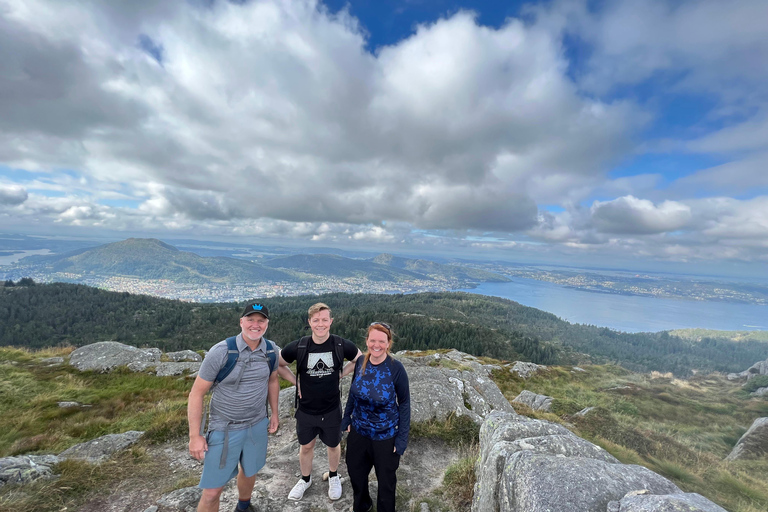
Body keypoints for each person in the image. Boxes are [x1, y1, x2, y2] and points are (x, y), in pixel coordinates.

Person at [187, 301, 293, 512]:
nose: (255, 325)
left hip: (257, 424)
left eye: (261, 321)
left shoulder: (271, 350)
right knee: (212, 492)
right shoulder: (221, 352)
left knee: (250, 469)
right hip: (224, 428)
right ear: (241, 322)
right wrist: (195, 436)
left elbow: (273, 381)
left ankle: (243, 507)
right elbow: (196, 393)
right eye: (250, 320)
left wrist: (274, 414)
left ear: (267, 324)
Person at [279, 302, 363, 501]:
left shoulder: (340, 344)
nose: (320, 324)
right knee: (306, 446)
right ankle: (305, 479)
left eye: (324, 319)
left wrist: (342, 373)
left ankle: (333, 476)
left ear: (331, 322)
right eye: (316, 320)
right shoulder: (300, 345)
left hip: (331, 408)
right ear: (309, 322)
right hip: (306, 410)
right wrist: (295, 381)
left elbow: (360, 359)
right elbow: (279, 365)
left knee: (333, 445)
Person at [341, 322, 410, 512]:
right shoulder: (361, 362)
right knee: (356, 474)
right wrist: (346, 418)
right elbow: (353, 394)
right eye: (372, 341)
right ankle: (363, 506)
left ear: (388, 343)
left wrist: (402, 438)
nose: (376, 345)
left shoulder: (396, 369)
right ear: (367, 341)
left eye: (381, 341)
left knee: (386, 483)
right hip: (359, 432)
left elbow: (404, 404)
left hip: (385, 436)